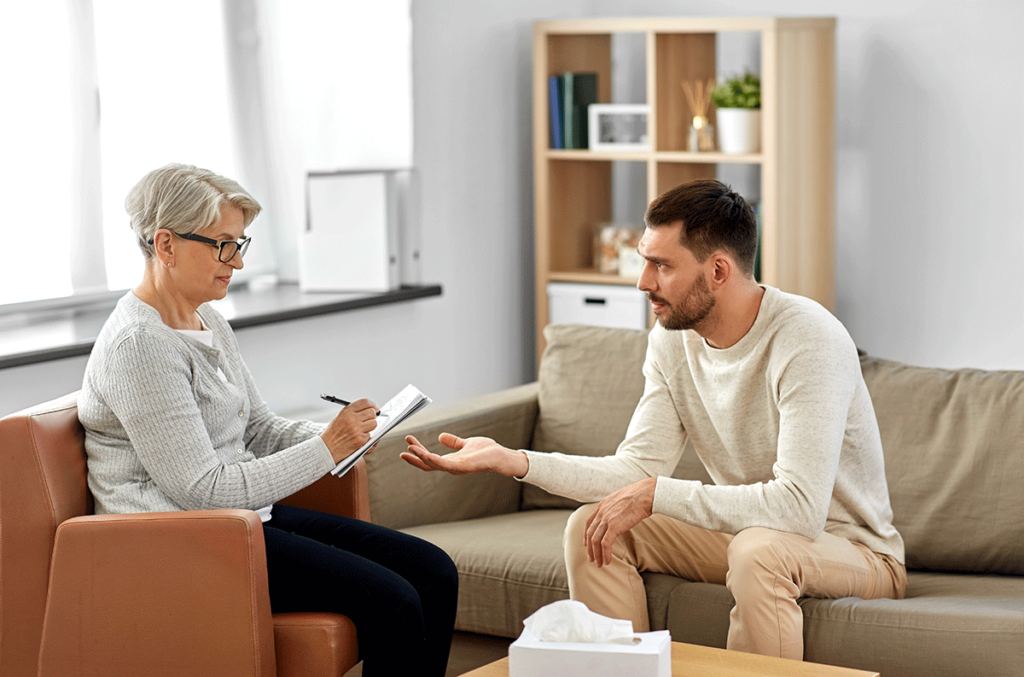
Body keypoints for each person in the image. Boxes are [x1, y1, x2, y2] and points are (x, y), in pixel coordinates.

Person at [403, 178, 906, 661]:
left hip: (853, 549)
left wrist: (656, 492)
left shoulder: (808, 339)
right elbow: (634, 471)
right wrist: (514, 461)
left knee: (759, 551)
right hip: (751, 533)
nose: (644, 283)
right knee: (594, 527)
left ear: (718, 271)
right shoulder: (672, 339)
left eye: (661, 266)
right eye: (645, 262)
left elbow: (798, 509)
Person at [79, 163, 458, 677]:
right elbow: (202, 489)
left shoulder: (205, 317)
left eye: (240, 243)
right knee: (393, 600)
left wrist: (346, 437)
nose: (235, 262)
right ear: (165, 245)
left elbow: (257, 427)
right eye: (221, 244)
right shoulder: (139, 346)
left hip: (238, 522)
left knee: (433, 571)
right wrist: (326, 448)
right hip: (178, 540)